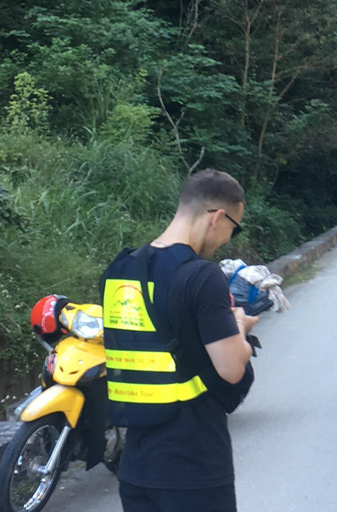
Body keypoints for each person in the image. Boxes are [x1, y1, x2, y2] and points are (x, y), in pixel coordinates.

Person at [100, 169, 259, 512]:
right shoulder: (202, 274)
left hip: (136, 467)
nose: (229, 239)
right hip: (193, 466)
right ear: (217, 217)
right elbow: (231, 369)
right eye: (234, 227)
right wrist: (241, 329)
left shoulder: (119, 271)